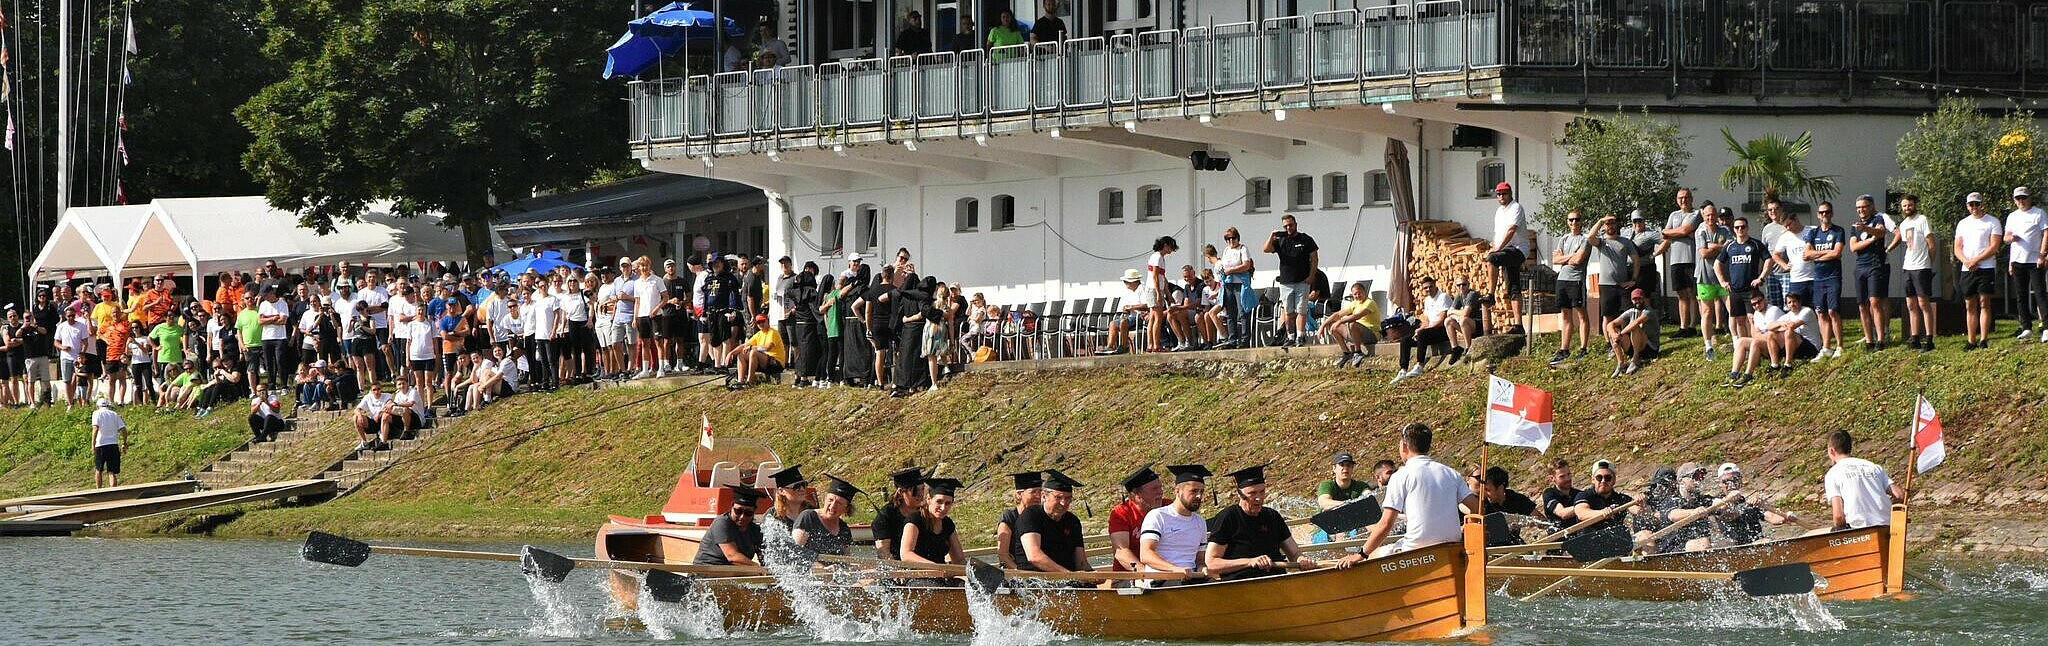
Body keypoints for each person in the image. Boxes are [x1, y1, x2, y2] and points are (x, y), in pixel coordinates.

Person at [1344, 424, 1477, 561]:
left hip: (1415, 551)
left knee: (1372, 555)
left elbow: (1386, 524)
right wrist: (1464, 528)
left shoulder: (1401, 476)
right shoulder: (1452, 473)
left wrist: (1361, 554)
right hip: (1452, 547)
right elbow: (1477, 509)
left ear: (1404, 446)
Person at [1207, 464, 1317, 579]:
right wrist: (1250, 562)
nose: (1259, 498)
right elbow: (1212, 563)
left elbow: (1294, 553)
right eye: (1252, 493)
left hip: (1277, 581)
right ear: (1240, 494)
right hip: (1242, 583)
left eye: (1262, 491)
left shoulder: (1272, 516)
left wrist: (1302, 559)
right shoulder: (1228, 518)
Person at [1137, 464, 1212, 582]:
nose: (1199, 496)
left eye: (1201, 491)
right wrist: (1174, 569)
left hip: (1191, 578)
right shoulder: (1158, 516)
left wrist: (1202, 568)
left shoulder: (1200, 522)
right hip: (1161, 579)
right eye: (1194, 491)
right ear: (1177, 491)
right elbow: (1145, 555)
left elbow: (1200, 560)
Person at [1821, 430, 1905, 531]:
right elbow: (1900, 495)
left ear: (1831, 450)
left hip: (1859, 529)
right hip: (1887, 526)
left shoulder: (1833, 473)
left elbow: (1838, 517)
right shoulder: (1873, 466)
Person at [1956, 192, 2004, 350]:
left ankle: (1984, 339)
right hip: (1967, 268)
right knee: (1970, 304)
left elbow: (1994, 246)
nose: (1974, 207)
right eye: (1971, 204)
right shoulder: (1963, 223)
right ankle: (1971, 340)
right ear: (1967, 206)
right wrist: (1966, 261)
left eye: (1977, 204)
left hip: (1986, 267)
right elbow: (1957, 247)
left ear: (1982, 204)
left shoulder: (1993, 222)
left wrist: (1976, 260)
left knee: (1984, 302)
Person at [1018, 469, 1090, 573]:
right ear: (1044, 496)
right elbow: (1034, 557)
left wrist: (1093, 575)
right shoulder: (1030, 516)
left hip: (1069, 577)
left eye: (1068, 498)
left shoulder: (1072, 521)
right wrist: (1069, 575)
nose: (1063, 503)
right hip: (1036, 578)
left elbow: (1081, 562)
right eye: (1058, 497)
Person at [1800, 201, 1848, 357]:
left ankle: (1839, 346)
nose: (1824, 215)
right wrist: (1826, 253)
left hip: (1833, 276)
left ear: (1832, 213)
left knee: (1833, 311)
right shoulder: (1813, 233)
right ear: (1818, 215)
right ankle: (1826, 347)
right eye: (1821, 212)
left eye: (1827, 212)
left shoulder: (1838, 231)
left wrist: (1817, 256)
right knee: (1820, 312)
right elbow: (1807, 254)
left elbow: (1837, 253)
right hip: (1818, 278)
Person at [1263, 214, 1319, 346]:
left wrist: (1311, 276)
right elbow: (1266, 249)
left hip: (1302, 281)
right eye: (1285, 226)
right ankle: (1290, 337)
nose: (1288, 228)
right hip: (1286, 282)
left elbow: (1314, 258)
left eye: (1290, 225)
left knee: (1301, 310)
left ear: (1295, 224)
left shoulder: (1305, 239)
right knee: (1288, 312)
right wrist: (1272, 236)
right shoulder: (1281, 240)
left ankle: (1300, 336)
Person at [1849, 194, 1896, 351]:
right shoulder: (1855, 226)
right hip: (1860, 266)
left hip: (1875, 265)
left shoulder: (1878, 219)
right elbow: (1853, 247)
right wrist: (1870, 240)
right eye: (1858, 208)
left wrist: (1868, 230)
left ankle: (1881, 339)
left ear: (1871, 207)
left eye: (1864, 207)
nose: (1861, 210)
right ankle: (1869, 340)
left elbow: (1881, 233)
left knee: (1875, 301)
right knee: (1862, 305)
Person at [1711, 463, 1799, 546]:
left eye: (1734, 480)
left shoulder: (1748, 502)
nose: (1730, 485)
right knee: (1764, 542)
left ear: (1740, 481)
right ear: (1720, 484)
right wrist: (1733, 501)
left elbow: (1772, 518)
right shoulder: (1716, 502)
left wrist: (1785, 516)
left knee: (1768, 541)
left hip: (1757, 544)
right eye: (1725, 481)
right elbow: (1727, 516)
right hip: (1735, 547)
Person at [1894, 195, 1938, 353]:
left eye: (1909, 205)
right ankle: (1915, 338)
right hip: (1908, 266)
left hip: (1922, 267)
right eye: (1904, 206)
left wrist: (1928, 264)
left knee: (1923, 303)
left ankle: (1930, 339)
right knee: (1911, 304)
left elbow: (1931, 245)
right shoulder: (1903, 224)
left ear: (1915, 205)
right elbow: (1908, 245)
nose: (1907, 208)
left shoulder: (1922, 220)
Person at [1103, 465, 1167, 572]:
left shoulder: (1168, 507)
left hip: (1167, 570)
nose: (1160, 492)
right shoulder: (1122, 513)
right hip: (1129, 575)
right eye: (1154, 489)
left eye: (1160, 487)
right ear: (1137, 495)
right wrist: (1145, 573)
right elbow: (1121, 551)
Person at [1390, 276, 1453, 384]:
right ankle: (1403, 369)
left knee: (1422, 334)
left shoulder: (1443, 297)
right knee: (1405, 340)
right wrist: (1419, 329)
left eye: (1430, 287)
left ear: (1435, 285)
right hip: (1429, 330)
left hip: (1442, 330)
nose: (1428, 289)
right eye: (1425, 288)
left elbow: (1442, 319)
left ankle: (1420, 365)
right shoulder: (1427, 300)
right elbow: (1427, 320)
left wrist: (1424, 330)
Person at [1550, 210, 1592, 366]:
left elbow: (1579, 260)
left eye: (1577, 219)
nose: (1574, 222)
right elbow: (1555, 260)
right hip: (1562, 280)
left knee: (1581, 314)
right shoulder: (1564, 239)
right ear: (1567, 222)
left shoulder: (1585, 239)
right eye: (1571, 220)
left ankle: (1583, 348)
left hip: (1576, 280)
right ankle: (1564, 349)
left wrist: (1565, 258)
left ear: (1581, 221)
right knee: (1565, 315)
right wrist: (1570, 256)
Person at [1660, 188, 1703, 337]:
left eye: (1686, 197)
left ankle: (1692, 326)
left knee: (1692, 293)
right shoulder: (1673, 215)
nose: (1683, 200)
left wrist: (1674, 233)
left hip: (1691, 259)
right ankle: (1683, 327)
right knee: (1681, 293)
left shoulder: (1696, 214)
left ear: (1691, 199)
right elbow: (1664, 234)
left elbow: (1684, 230)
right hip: (1675, 260)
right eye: (1680, 198)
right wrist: (1679, 233)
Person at [1692, 202, 1732, 361]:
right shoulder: (1700, 231)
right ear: (1703, 216)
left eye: (1713, 215)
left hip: (1723, 277)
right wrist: (1721, 247)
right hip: (1705, 277)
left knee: (1732, 308)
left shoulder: (1725, 230)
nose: (1710, 218)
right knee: (1707, 312)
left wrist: (1713, 246)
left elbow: (1730, 248)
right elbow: (1703, 253)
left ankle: (1737, 339)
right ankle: (1708, 345)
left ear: (1716, 216)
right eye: (1707, 215)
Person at [2008, 187, 2048, 343]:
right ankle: (2026, 327)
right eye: (2018, 199)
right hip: (2018, 260)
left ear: (2029, 198)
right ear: (2014, 200)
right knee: (2021, 295)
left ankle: (2046, 327)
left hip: (2034, 260)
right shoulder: (2012, 216)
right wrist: (2010, 240)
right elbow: (2006, 237)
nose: (2021, 201)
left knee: (2040, 294)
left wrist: (2042, 254)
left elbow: (2046, 233)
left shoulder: (2039, 213)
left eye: (2023, 198)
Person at [900, 477, 967, 571]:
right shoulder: (915, 520)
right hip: (918, 573)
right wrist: (935, 567)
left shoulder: (947, 523)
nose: (943, 508)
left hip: (942, 573)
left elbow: (959, 560)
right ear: (929, 499)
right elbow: (906, 554)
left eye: (947, 503)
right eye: (939, 502)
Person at [694, 486, 767, 567]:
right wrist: (758, 568)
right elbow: (732, 556)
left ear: (754, 511)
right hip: (707, 570)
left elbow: (764, 555)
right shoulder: (722, 523)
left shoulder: (755, 530)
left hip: (735, 572)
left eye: (748, 513)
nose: (742, 517)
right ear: (732, 506)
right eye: (738, 511)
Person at [1591, 214, 1639, 330]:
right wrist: (1601, 220)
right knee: (1607, 316)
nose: (1610, 226)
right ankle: (1609, 341)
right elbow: (1590, 237)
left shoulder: (1626, 242)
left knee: (1627, 315)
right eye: (1607, 224)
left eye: (1612, 223)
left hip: (1623, 285)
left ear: (1616, 224)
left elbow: (1636, 260)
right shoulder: (1601, 242)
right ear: (1604, 226)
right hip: (1606, 285)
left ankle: (1625, 338)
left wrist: (1633, 280)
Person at [792, 476, 860, 558]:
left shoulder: (844, 529)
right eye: (830, 500)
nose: (832, 506)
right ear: (825, 499)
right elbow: (795, 553)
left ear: (846, 509)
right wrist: (817, 564)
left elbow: (847, 559)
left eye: (839, 503)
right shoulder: (808, 517)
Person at [1489, 182, 1528, 321]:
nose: (1501, 196)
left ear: (1510, 193)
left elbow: (1512, 230)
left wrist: (1498, 249)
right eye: (1498, 194)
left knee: (1492, 259)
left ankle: (1491, 294)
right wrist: (1495, 245)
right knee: (1513, 286)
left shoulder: (1516, 208)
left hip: (1518, 249)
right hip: (1506, 251)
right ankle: (1518, 324)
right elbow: (1497, 233)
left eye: (1504, 193)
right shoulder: (1499, 212)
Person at [1571, 459, 1640, 534]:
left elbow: (1637, 510)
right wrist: (1602, 513)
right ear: (1593, 479)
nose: (1603, 481)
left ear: (1614, 480)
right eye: (1599, 477)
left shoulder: (1621, 498)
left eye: (1608, 478)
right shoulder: (1584, 495)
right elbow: (1581, 513)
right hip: (1589, 539)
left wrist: (1640, 502)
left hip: (1616, 538)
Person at [1322, 282, 1380, 367]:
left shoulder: (1369, 303)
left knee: (1352, 324)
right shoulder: (1355, 303)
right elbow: (1337, 314)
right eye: (1355, 294)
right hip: (1356, 333)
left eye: (1359, 293)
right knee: (1333, 326)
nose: (1357, 295)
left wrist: (1340, 321)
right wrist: (1322, 326)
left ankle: (1358, 352)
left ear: (1365, 292)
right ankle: (1346, 353)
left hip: (1371, 334)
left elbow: (1357, 316)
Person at [873, 466, 925, 561]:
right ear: (901, 492)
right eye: (915, 491)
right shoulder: (886, 516)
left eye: (922, 489)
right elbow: (884, 553)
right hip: (898, 564)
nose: (920, 495)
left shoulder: (926, 513)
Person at [1766, 292, 1824, 376]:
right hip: (1797, 346)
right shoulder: (1789, 315)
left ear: (1800, 302)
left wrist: (1780, 327)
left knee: (1789, 331)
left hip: (1812, 347)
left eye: (1794, 301)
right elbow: (1769, 327)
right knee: (1771, 334)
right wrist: (1781, 323)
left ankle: (1788, 365)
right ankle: (1775, 365)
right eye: (1789, 302)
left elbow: (1792, 326)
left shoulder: (1807, 311)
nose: (1792, 304)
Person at [994, 471, 1043, 570]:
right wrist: (1019, 572)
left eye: (1040, 492)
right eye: (1033, 492)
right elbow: (1003, 554)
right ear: (1019, 494)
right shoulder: (1010, 517)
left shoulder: (1042, 516)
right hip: (1016, 570)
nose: (1038, 496)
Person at [1478, 466, 1537, 547]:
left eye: (1488, 490)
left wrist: (1524, 522)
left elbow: (1539, 518)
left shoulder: (1516, 499)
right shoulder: (1481, 504)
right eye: (1483, 490)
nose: (1485, 494)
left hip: (1512, 544)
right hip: (1489, 547)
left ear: (1500, 488)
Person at [1217, 227, 1255, 349]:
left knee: (1242, 311)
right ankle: (1232, 339)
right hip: (1228, 284)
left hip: (1240, 284)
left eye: (1233, 238)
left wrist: (1232, 270)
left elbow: (1246, 265)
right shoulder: (1226, 250)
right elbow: (1223, 266)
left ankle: (1245, 339)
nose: (1231, 241)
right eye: (1228, 239)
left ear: (1238, 238)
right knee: (1230, 313)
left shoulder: (1243, 249)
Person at [1604, 289, 1654, 377]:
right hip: (1634, 345)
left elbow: (1636, 322)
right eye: (1635, 299)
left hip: (1649, 348)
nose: (1637, 301)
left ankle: (1635, 359)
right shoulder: (1631, 311)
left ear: (1644, 299)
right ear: (1631, 300)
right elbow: (1610, 324)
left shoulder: (1648, 311)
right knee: (1613, 330)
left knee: (1635, 328)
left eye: (1639, 298)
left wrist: (1621, 334)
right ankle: (1621, 363)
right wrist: (1614, 334)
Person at [731, 315, 786, 390]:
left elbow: (767, 348)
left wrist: (751, 347)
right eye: (758, 322)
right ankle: (740, 381)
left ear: (767, 321)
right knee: (742, 354)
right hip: (765, 362)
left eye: (762, 321)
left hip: (776, 363)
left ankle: (750, 382)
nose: (760, 324)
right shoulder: (759, 334)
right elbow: (744, 345)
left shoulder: (772, 332)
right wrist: (731, 353)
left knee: (754, 352)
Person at [765, 464, 813, 531]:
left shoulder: (812, 512)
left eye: (804, 485)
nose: (802, 489)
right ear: (781, 491)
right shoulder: (772, 515)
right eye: (796, 486)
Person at [90, 398, 125, 487]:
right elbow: (123, 429)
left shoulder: (96, 413)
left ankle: (99, 490)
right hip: (113, 444)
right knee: (112, 472)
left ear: (97, 406)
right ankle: (113, 491)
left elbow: (95, 428)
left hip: (101, 444)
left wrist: (93, 444)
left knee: (99, 469)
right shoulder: (114, 414)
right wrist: (124, 442)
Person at [353, 382, 394, 451]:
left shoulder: (387, 396)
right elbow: (356, 409)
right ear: (371, 391)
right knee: (355, 417)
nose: (377, 392)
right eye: (374, 390)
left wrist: (379, 413)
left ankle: (384, 443)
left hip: (384, 420)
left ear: (381, 389)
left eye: (378, 389)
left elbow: (389, 405)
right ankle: (364, 442)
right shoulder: (368, 397)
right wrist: (359, 415)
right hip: (373, 421)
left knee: (385, 415)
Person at [1538, 458, 1579, 526]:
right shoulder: (1549, 494)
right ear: (1552, 478)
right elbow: (1563, 513)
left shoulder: (1578, 493)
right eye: (1562, 476)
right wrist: (1584, 506)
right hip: (1561, 532)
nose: (1567, 479)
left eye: (1568, 474)